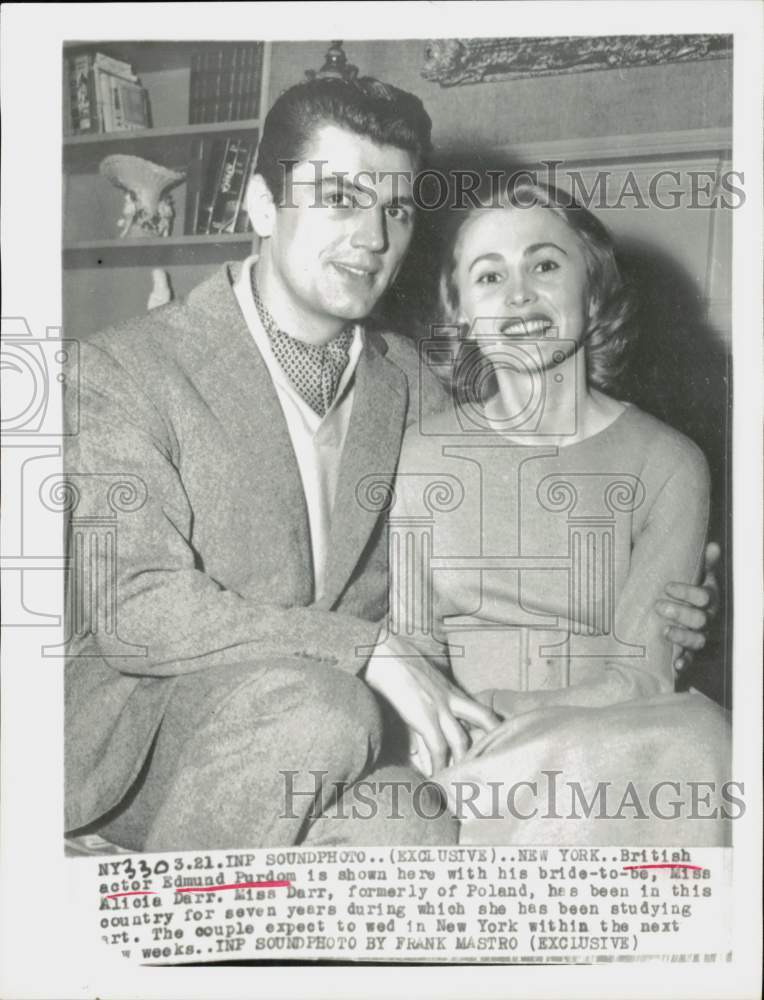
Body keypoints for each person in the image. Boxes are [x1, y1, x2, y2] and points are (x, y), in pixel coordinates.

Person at [64, 74, 716, 852]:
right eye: (340, 196)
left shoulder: (415, 380)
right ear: (263, 204)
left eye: (396, 208)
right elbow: (137, 608)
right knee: (318, 707)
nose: (373, 237)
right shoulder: (123, 367)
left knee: (415, 830)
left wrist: (677, 596)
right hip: (159, 736)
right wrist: (362, 649)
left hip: (350, 735)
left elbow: (514, 504)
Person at [377, 180, 731, 845]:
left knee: (699, 740)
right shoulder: (424, 452)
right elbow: (412, 644)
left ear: (592, 290)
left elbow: (643, 674)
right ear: (461, 313)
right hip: (462, 759)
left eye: (544, 264)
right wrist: (455, 725)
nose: (519, 295)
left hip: (612, 744)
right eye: (489, 276)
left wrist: (500, 710)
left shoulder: (672, 463)